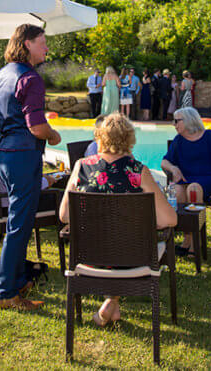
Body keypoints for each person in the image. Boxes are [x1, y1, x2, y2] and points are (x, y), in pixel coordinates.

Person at [59, 113, 176, 326]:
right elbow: (170, 219)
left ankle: (111, 304)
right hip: (132, 256)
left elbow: (64, 215)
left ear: (99, 138)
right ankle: (110, 304)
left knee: (111, 240)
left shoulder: (81, 167)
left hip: (89, 255)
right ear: (129, 139)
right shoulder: (138, 171)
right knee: (126, 239)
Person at [0, 24, 62, 311]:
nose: (46, 48)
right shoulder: (31, 78)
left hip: (4, 154)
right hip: (24, 155)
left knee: (19, 223)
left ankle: (17, 280)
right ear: (27, 44)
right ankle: (6, 293)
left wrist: (6, 140)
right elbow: (37, 126)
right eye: (42, 42)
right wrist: (54, 136)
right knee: (19, 225)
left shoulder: (0, 75)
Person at [162, 107, 211, 256]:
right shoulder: (179, 139)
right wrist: (174, 169)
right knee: (178, 192)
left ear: (188, 120)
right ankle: (187, 239)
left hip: (210, 178)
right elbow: (164, 162)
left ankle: (196, 242)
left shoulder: (209, 136)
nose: (174, 124)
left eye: (176, 121)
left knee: (193, 189)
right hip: (188, 180)